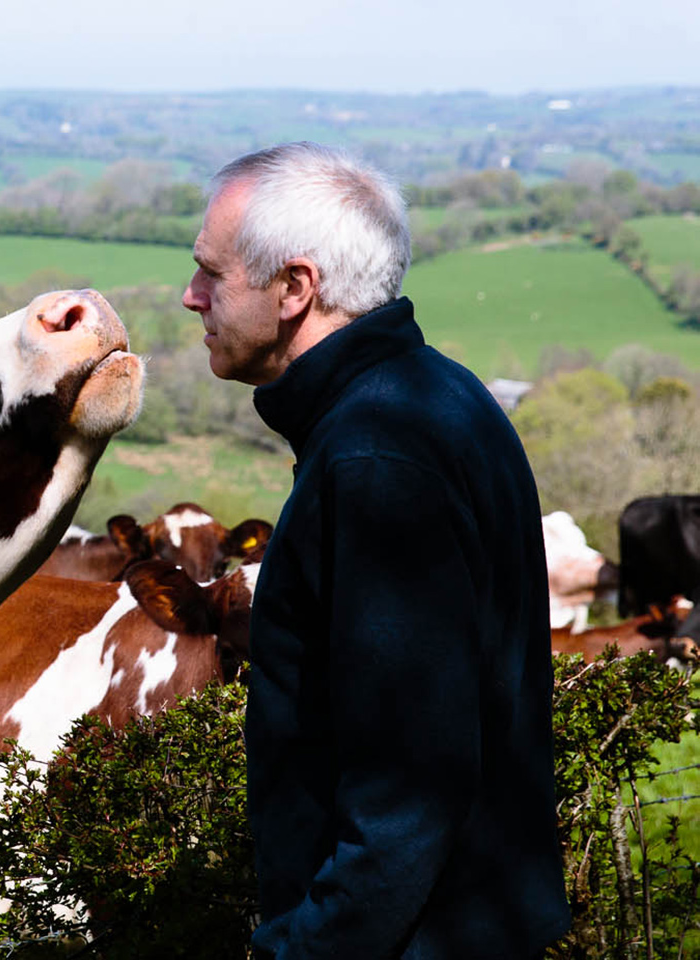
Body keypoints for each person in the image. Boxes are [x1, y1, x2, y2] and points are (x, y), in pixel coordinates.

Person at [182, 142, 570, 959]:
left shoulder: (375, 459)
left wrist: (303, 949)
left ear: (295, 288)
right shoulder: (438, 394)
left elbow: (408, 792)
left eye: (212, 275)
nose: (192, 298)